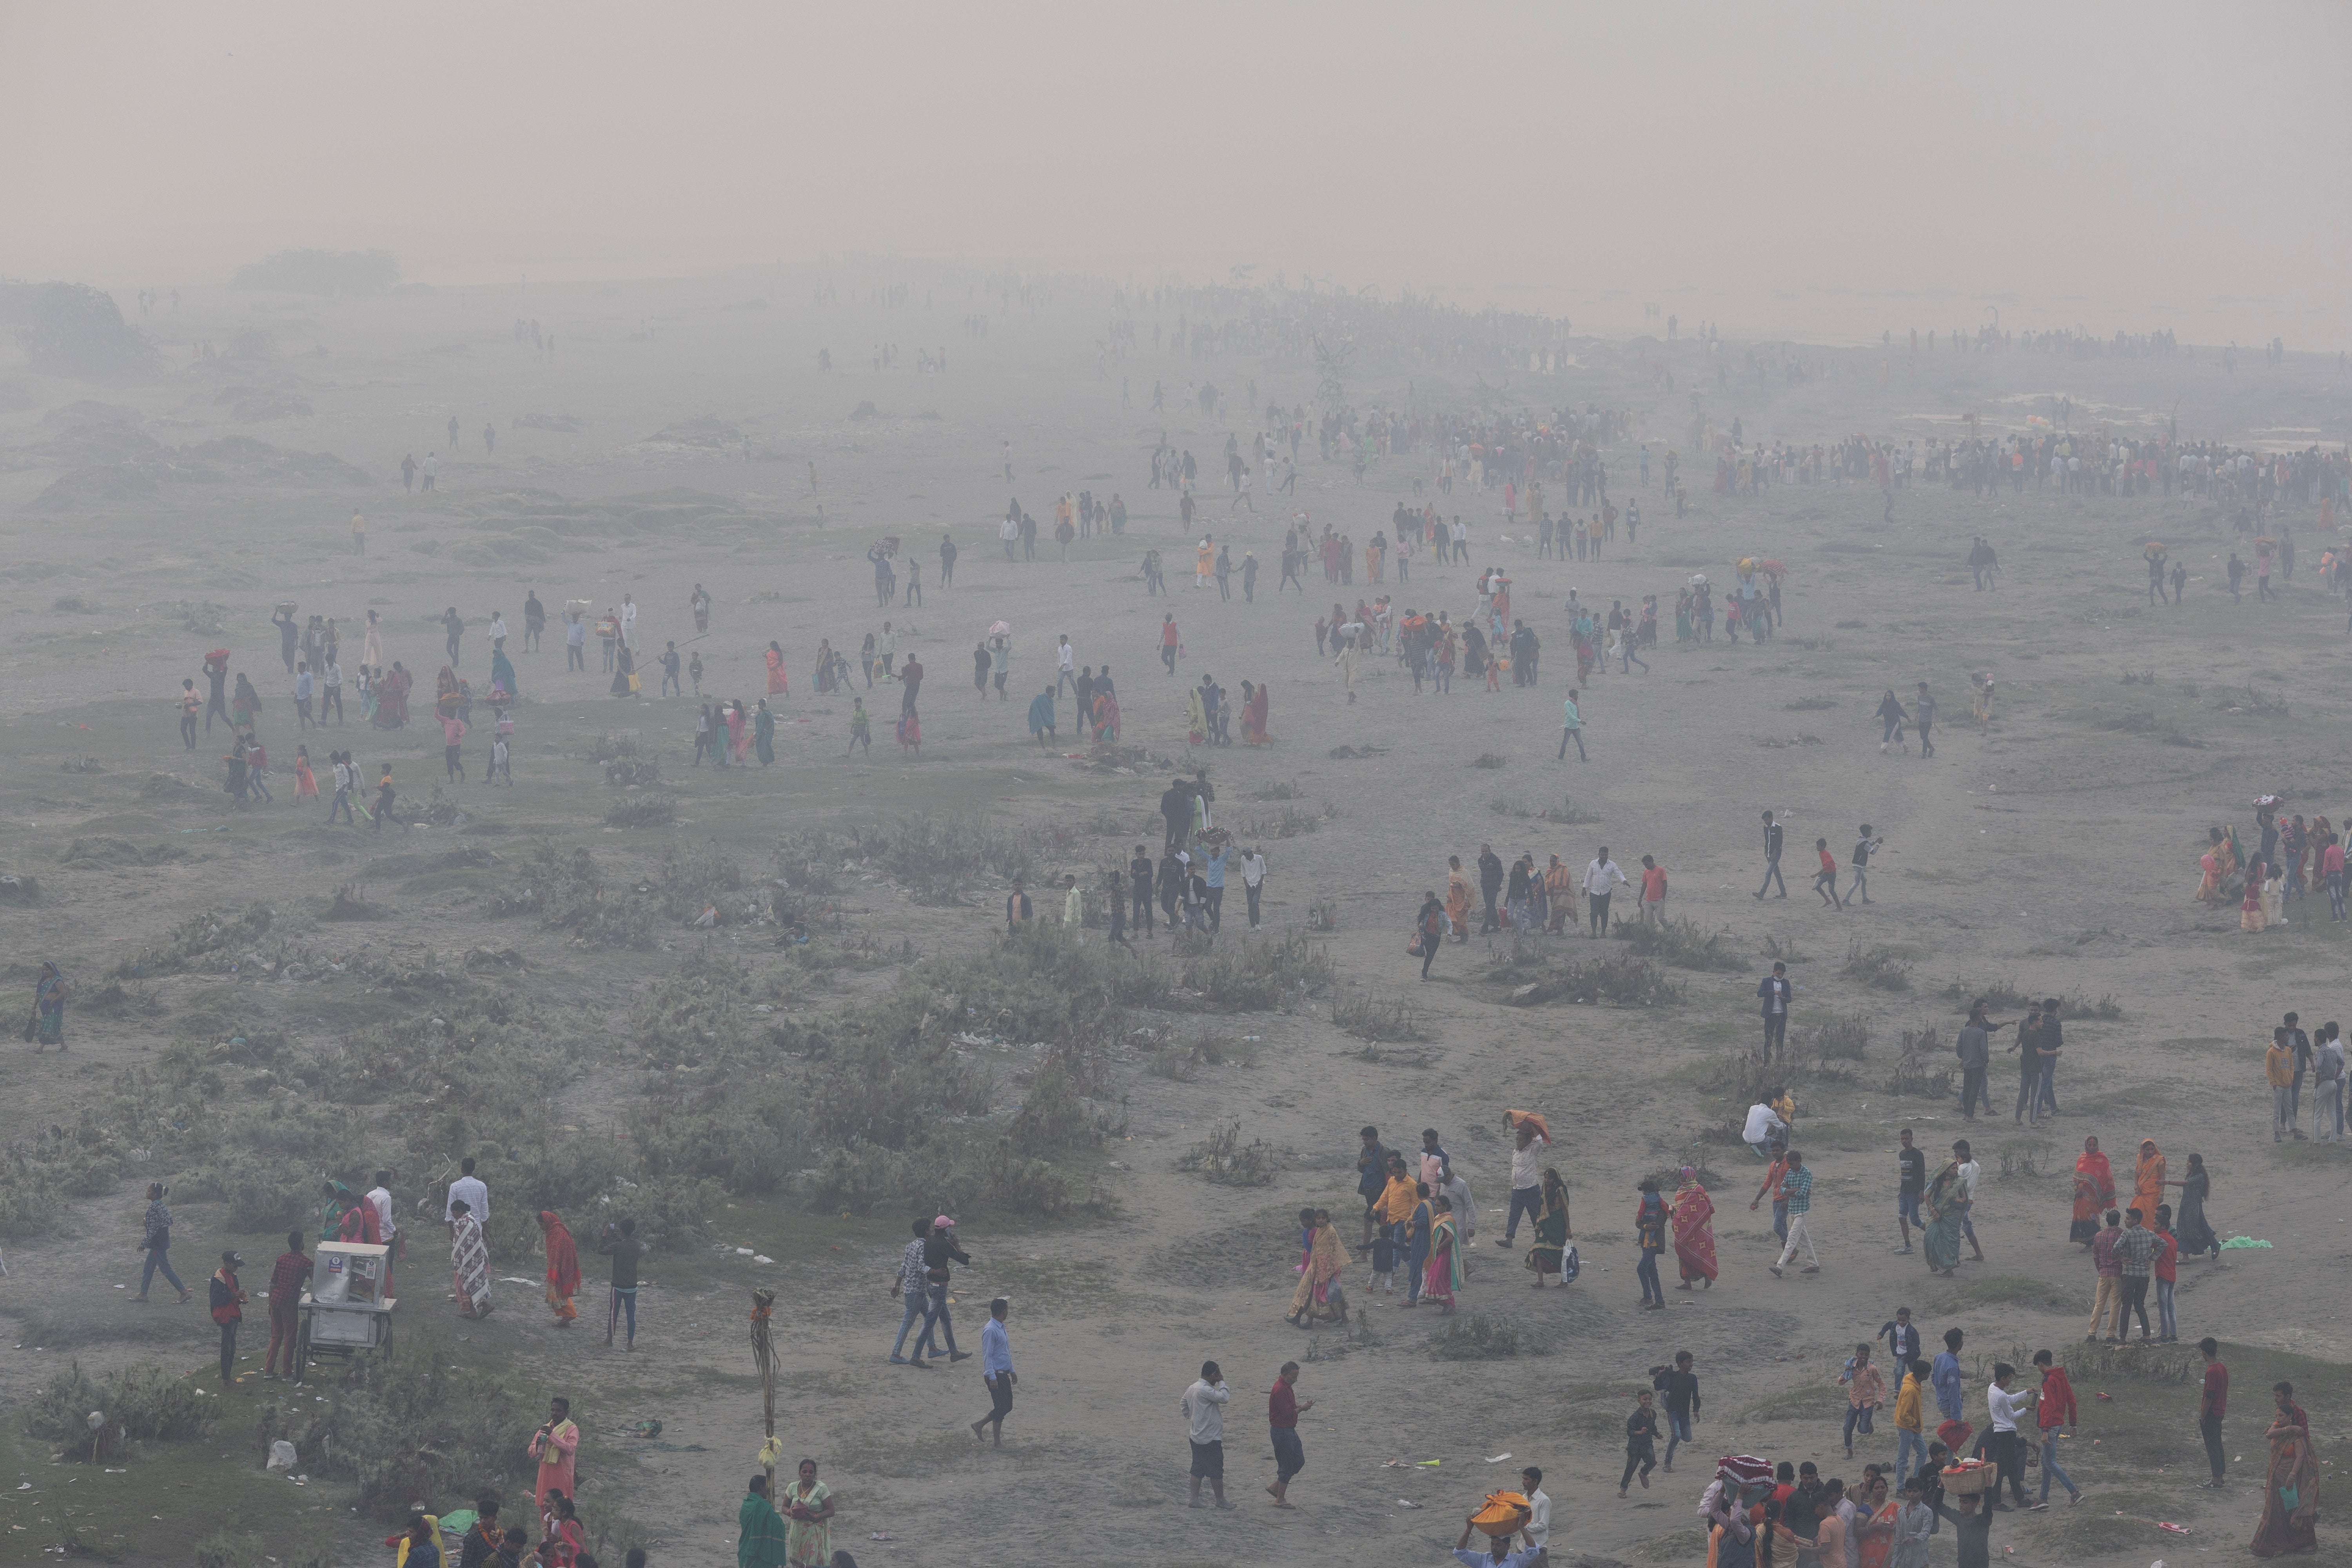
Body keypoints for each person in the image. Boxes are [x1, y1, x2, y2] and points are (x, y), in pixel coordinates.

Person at [2252, 1380, 2318, 1555]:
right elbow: (2271, 1434)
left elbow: (2304, 1440)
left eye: (2279, 1396)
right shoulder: (2281, 1421)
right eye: (2275, 1396)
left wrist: (2294, 1474)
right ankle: (2281, 1544)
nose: (2276, 1399)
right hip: (2278, 1474)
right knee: (2280, 1510)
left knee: (2294, 1507)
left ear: (2288, 1398)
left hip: (2293, 1472)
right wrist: (2289, 1428)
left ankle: (2302, 1543)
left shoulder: (2298, 1414)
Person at [2029, 1349, 2081, 1506]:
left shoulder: (2048, 1380)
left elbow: (2048, 1407)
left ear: (2040, 1364)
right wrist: (2073, 1424)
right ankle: (2043, 1498)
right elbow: (2072, 1401)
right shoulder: (2061, 1377)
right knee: (2046, 1462)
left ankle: (2074, 1493)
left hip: (2050, 1427)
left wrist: (2045, 1430)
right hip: (2058, 1425)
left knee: (2050, 1462)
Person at [263, 1229, 312, 1381]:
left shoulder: (281, 1259)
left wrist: (270, 1304)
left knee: (276, 1337)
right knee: (290, 1338)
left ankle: (269, 1371)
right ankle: (287, 1373)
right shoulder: (306, 1263)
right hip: (289, 1304)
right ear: (301, 1244)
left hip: (276, 1301)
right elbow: (317, 1281)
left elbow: (273, 1284)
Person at [1284, 1209, 1347, 1328]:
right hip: (1315, 1265)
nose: (1321, 1220)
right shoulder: (1317, 1231)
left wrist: (1329, 1267)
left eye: (1323, 1218)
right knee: (1312, 1291)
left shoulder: (1326, 1231)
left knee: (1329, 1291)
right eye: (1319, 1218)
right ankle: (1302, 1319)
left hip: (1325, 1267)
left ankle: (1310, 1321)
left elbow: (1331, 1248)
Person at [1183, 1361, 1233, 1508]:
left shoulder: (1192, 1388)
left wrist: (1193, 1417)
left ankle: (1194, 1499)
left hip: (1196, 1435)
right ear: (1213, 1374)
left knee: (1197, 1468)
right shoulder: (1205, 1390)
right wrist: (1222, 1381)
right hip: (1210, 1437)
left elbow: (1183, 1404)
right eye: (1217, 1374)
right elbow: (1224, 1398)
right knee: (1216, 1469)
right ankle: (1220, 1500)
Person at [1984, 1363, 2033, 1509]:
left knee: (2009, 1468)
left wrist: (2026, 1393)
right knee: (2004, 1469)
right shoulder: (2001, 1396)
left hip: (2001, 1433)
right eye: (2010, 1378)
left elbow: (2009, 1399)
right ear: (2003, 1378)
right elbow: (2011, 1415)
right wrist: (2026, 1409)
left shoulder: (1993, 1389)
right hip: (2006, 1434)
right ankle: (1998, 1500)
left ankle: (2018, 1498)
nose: (2010, 1381)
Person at [1266, 1361, 1313, 1507]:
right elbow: (1287, 1414)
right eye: (1294, 1376)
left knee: (1299, 1461)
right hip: (1282, 1431)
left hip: (1288, 1430)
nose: (1296, 1380)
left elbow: (1289, 1409)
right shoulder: (1280, 1389)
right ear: (1286, 1375)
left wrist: (1301, 1407)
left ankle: (1276, 1487)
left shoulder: (1286, 1387)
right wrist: (1302, 1409)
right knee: (1287, 1464)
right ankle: (1280, 1500)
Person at [135, 1181, 190, 1303]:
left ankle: (184, 1292)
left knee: (165, 1269)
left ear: (154, 1195)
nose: (147, 1193)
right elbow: (169, 1221)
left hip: (158, 1243)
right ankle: (143, 1294)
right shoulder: (161, 1205)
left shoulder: (154, 1207)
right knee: (149, 1268)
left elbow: (153, 1229)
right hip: (163, 1240)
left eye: (149, 1191)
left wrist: (144, 1243)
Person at [1768, 1150, 1818, 1276]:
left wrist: (1789, 1191)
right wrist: (1795, 1190)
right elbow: (1782, 1189)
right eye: (1789, 1164)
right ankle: (1814, 1265)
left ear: (1799, 1162)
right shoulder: (1790, 1172)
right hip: (1792, 1210)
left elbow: (1796, 1192)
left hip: (1802, 1211)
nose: (1790, 1167)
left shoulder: (1807, 1173)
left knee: (1791, 1239)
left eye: (1792, 1164)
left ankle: (1780, 1267)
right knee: (1804, 1240)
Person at [779, 1456, 833, 1567]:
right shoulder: (792, 1487)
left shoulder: (821, 1488)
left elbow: (831, 1511)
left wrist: (816, 1516)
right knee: (797, 1560)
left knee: (814, 1560)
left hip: (815, 1530)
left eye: (811, 1472)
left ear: (815, 1474)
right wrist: (790, 1512)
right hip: (797, 1531)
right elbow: (784, 1507)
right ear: (800, 1473)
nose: (808, 1475)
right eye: (805, 1472)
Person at [596, 1218, 641, 1350]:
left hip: (618, 1286)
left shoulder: (618, 1246)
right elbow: (625, 1244)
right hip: (632, 1286)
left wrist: (605, 1235)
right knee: (631, 1315)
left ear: (621, 1231)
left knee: (613, 1313)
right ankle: (630, 1343)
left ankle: (609, 1339)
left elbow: (601, 1250)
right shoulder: (637, 1244)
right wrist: (618, 1237)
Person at [1651, 1351, 1700, 1470]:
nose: (1691, 1364)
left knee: (1688, 1438)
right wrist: (1660, 1375)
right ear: (1680, 1363)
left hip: (1684, 1413)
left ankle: (1677, 1432)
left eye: (1692, 1361)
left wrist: (1696, 1410)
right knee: (1676, 1436)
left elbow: (1696, 1396)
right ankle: (1667, 1463)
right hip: (1672, 1411)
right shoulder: (1672, 1377)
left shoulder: (1693, 1378)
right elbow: (1658, 1387)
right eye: (1689, 1362)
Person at [1670, 1167, 1717, 1290]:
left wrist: (1679, 1215)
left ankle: (1707, 1276)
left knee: (1698, 1252)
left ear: (1690, 1175)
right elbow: (1681, 1206)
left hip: (1698, 1227)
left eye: (1683, 1175)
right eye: (1680, 1175)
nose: (1681, 1178)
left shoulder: (1698, 1189)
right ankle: (1687, 1283)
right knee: (1683, 1253)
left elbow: (1701, 1208)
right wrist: (1673, 1210)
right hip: (1682, 1226)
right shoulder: (1681, 1189)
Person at [528, 1397, 579, 1509]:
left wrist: (552, 1436)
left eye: (558, 1411)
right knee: (545, 1508)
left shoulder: (571, 1429)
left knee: (562, 1510)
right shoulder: (545, 1428)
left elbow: (570, 1449)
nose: (554, 1413)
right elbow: (531, 1453)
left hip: (562, 1475)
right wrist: (537, 1446)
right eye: (553, 1410)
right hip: (545, 1475)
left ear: (566, 1412)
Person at [1526, 1168, 1572, 1288]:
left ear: (1555, 1179)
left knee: (1561, 1253)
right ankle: (1540, 1281)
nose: (1547, 1181)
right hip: (1546, 1225)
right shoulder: (1545, 1189)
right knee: (1538, 1250)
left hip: (1558, 1225)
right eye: (1546, 1178)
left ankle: (1564, 1281)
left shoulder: (1560, 1190)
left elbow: (1565, 1210)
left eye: (1550, 1179)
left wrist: (1568, 1229)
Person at [2170, 1151, 2220, 1258]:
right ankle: (2185, 1257)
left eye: (2189, 1162)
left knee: (2199, 1228)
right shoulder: (2191, 1174)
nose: (2187, 1164)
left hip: (2194, 1207)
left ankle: (2215, 1246)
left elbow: (2186, 1183)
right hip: (2185, 1205)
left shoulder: (2199, 1176)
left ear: (2195, 1164)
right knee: (2183, 1228)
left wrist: (2168, 1182)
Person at [1840, 1343, 1885, 1459]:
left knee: (1863, 1430)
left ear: (1869, 1355)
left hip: (1868, 1403)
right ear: (1857, 1354)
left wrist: (1880, 1400)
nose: (1864, 1357)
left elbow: (1881, 1384)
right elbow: (1841, 1382)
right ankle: (1849, 1451)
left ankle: (1868, 1424)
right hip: (1854, 1401)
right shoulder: (1852, 1367)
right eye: (1861, 1354)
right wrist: (1846, 1371)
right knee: (1847, 1428)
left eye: (1866, 1354)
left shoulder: (1872, 1369)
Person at [208, 1249, 246, 1385]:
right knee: (227, 1349)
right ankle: (226, 1379)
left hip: (233, 1315)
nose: (237, 1268)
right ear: (226, 1263)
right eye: (235, 1265)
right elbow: (216, 1300)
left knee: (232, 1347)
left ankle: (227, 1377)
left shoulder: (232, 1275)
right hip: (225, 1317)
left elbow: (232, 1294)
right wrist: (234, 1296)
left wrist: (240, 1299)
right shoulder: (218, 1279)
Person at [449, 1198, 492, 1319]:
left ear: (459, 1211)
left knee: (466, 1282)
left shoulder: (465, 1223)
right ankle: (480, 1307)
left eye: (454, 1212)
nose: (452, 1215)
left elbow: (469, 1241)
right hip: (472, 1258)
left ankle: (473, 1312)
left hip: (471, 1259)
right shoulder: (471, 1220)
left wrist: (462, 1257)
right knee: (471, 1282)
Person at [2069, 1137, 2114, 1246]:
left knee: (2091, 1218)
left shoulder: (2102, 1159)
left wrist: (2093, 1185)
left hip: (2093, 1197)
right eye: (2090, 1145)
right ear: (2086, 1145)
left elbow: (2107, 1177)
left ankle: (2092, 1242)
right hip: (2081, 1195)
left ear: (2098, 1146)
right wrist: (2078, 1188)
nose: (2092, 1148)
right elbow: (2076, 1176)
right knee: (2081, 1216)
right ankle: (2085, 1240)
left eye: (2094, 1145)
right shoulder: (2082, 1157)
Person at [2197, 1337, 2229, 1489]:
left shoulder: (2211, 1371)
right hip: (2220, 1411)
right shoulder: (2222, 1367)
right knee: (2218, 1445)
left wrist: (2202, 1416)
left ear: (2204, 1353)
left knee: (2212, 1447)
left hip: (2211, 1413)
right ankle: (2220, 1477)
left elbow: (2209, 1396)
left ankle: (2216, 1480)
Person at [737, 1475, 789, 1568]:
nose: (768, 1490)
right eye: (767, 1487)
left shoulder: (746, 1504)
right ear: (762, 1488)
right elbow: (778, 1524)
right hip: (759, 1554)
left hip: (745, 1549)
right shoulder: (762, 1506)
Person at [539, 1210, 580, 1326]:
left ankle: (569, 1315)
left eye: (541, 1225)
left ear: (547, 1222)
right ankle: (565, 1318)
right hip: (557, 1265)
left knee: (559, 1292)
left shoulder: (559, 1232)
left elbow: (562, 1250)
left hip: (563, 1265)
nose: (541, 1228)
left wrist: (559, 1266)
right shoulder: (552, 1232)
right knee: (557, 1292)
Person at [1619, 1388, 1662, 1496]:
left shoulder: (1653, 1414)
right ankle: (1623, 1490)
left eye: (1650, 1399)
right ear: (1639, 1401)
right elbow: (1630, 1432)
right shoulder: (1635, 1417)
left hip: (1647, 1444)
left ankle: (1643, 1473)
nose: (1648, 1402)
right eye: (1645, 1399)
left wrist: (1656, 1434)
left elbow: (1652, 1426)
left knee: (1652, 1461)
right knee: (1630, 1468)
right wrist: (1639, 1432)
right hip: (1635, 1447)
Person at [1633, 1177, 1668, 1307]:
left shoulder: (1658, 1205)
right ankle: (1658, 1301)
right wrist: (1645, 1226)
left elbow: (1641, 1221)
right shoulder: (1661, 1204)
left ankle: (1649, 1297)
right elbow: (1639, 1223)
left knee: (1642, 1268)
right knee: (1652, 1271)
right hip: (1647, 1242)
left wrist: (1645, 1226)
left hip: (1653, 1243)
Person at [1757, 962, 1794, 1059]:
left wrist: (1783, 999)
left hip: (1782, 1015)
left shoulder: (1786, 982)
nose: (1780, 976)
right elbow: (1760, 993)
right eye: (1779, 974)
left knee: (1780, 1039)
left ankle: (1779, 1061)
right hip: (1770, 1015)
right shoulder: (1766, 981)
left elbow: (1789, 999)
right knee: (1768, 1039)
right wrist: (1773, 992)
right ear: (1774, 972)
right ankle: (1767, 1061)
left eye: (1782, 974)